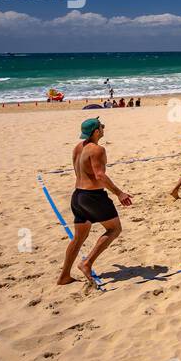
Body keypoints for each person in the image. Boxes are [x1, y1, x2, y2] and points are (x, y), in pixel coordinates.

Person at [58, 118, 132, 286]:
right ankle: (87, 263)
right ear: (96, 132)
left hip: (77, 196)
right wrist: (119, 193)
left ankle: (64, 276)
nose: (104, 127)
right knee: (114, 229)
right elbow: (99, 175)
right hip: (93, 196)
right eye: (101, 126)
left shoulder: (78, 148)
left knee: (78, 238)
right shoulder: (97, 149)